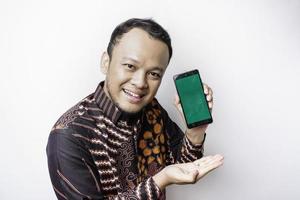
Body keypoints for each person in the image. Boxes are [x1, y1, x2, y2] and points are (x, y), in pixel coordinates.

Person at [46, 18, 224, 200]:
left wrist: (195, 131)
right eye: (130, 66)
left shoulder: (152, 109)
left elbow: (185, 166)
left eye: (154, 74)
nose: (140, 83)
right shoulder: (68, 137)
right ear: (106, 63)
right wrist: (159, 181)